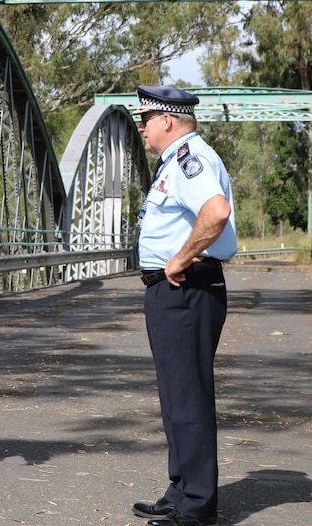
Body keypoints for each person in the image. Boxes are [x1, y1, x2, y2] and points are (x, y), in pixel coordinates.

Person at [131, 86, 237, 526]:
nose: (141, 127)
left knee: (188, 397)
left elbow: (216, 212)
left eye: (147, 119)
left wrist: (180, 258)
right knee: (177, 397)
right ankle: (181, 491)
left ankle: (196, 505)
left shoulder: (189, 159)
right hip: (173, 290)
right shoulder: (175, 162)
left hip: (185, 287)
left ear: (168, 122)